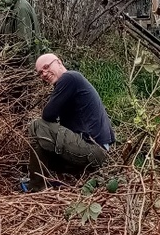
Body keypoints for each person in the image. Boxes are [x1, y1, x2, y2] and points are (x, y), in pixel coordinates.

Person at [25, 53, 114, 191]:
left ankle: (35, 187)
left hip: (93, 149)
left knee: (36, 126)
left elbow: (48, 115)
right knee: (45, 151)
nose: (44, 73)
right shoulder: (72, 83)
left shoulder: (69, 78)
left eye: (47, 67)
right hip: (97, 151)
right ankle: (47, 181)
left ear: (59, 62)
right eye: (40, 73)